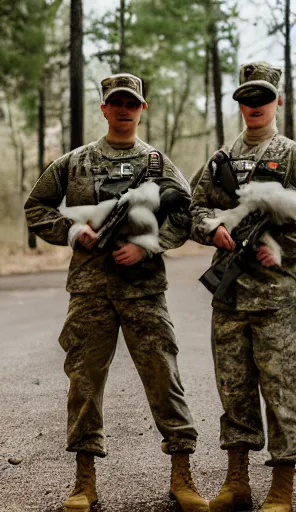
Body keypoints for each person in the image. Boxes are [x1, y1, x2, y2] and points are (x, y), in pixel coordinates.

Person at [24, 73, 207, 512]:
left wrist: (148, 246)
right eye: (116, 102)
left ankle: (182, 477)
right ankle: (83, 483)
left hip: (144, 291)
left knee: (164, 379)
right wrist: (73, 232)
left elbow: (186, 212)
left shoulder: (157, 165)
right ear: (104, 108)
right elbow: (36, 206)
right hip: (90, 291)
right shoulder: (76, 162)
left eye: (132, 103)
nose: (124, 109)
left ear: (142, 108)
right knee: (84, 383)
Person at [190, 62, 296, 512]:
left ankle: (282, 488)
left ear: (278, 102)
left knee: (280, 388)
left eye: (263, 99)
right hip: (229, 296)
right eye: (246, 100)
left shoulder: (293, 156)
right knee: (233, 387)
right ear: (239, 106)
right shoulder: (221, 159)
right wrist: (211, 228)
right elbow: (194, 208)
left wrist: (285, 248)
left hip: (274, 297)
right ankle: (237, 483)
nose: (254, 107)